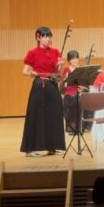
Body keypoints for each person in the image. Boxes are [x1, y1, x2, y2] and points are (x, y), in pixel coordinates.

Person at [20, 26, 66, 157]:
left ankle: (53, 147)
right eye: (45, 36)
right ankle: (30, 149)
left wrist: (61, 65)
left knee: (55, 115)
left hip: (52, 85)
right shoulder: (32, 53)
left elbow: (57, 73)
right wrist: (32, 73)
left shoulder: (56, 52)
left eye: (49, 36)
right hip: (39, 85)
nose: (48, 39)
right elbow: (25, 71)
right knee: (36, 116)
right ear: (38, 37)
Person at [60, 50, 83, 134]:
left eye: (76, 58)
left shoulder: (81, 69)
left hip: (79, 91)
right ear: (69, 60)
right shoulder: (66, 70)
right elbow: (62, 84)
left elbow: (84, 83)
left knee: (81, 98)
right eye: (72, 59)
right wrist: (66, 80)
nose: (75, 60)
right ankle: (72, 127)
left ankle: (80, 127)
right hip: (69, 92)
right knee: (72, 99)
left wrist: (82, 87)